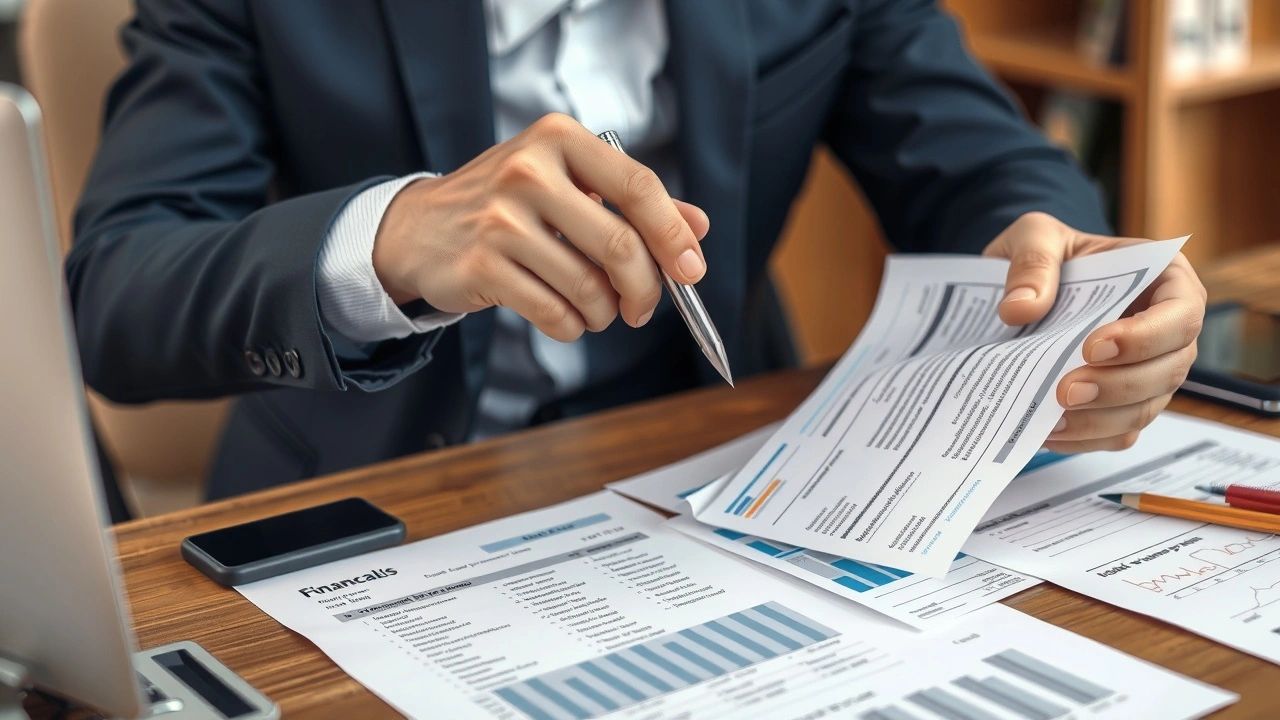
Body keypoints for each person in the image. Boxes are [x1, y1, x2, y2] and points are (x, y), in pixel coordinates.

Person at [68, 0, 1205, 500]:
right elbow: (115, 294)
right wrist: (388, 242)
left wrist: (1068, 265)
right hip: (366, 499)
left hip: (719, 475)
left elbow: (975, 161)